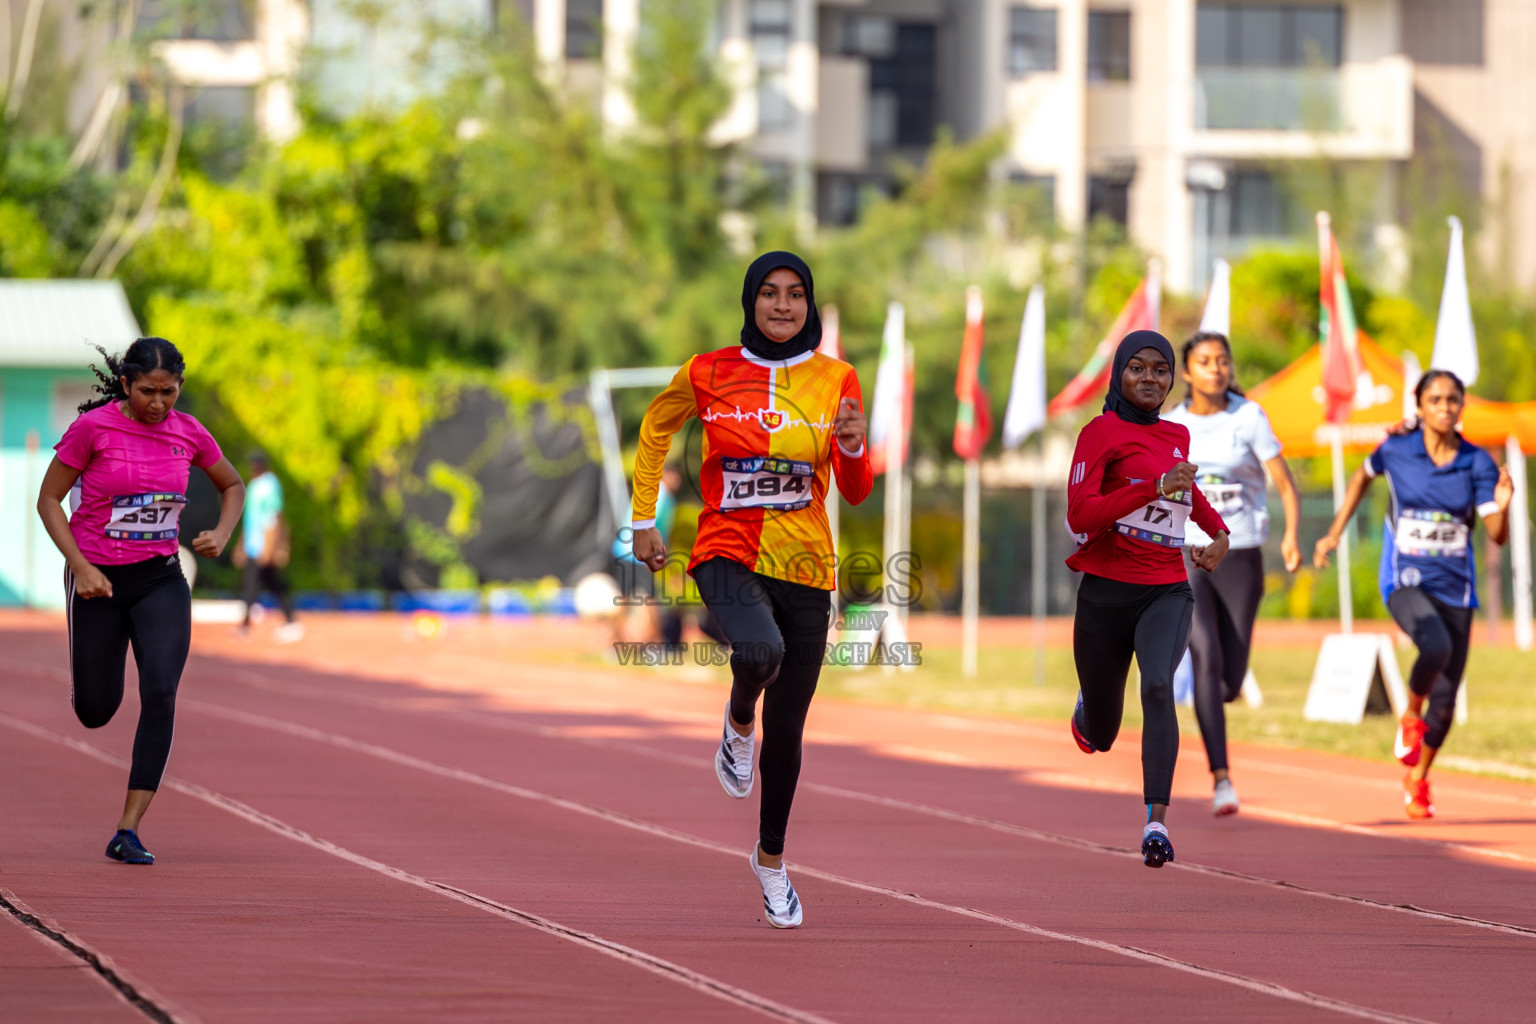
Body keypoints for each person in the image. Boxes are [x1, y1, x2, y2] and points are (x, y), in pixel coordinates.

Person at [630, 251, 872, 927]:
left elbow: (854, 489)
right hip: (725, 551)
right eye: (769, 293)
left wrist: (854, 446)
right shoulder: (707, 371)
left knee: (789, 731)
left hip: (806, 567)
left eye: (795, 294)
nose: (782, 305)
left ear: (809, 304)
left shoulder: (836, 379)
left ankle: (771, 862)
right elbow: (655, 427)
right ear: (750, 300)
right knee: (758, 654)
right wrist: (642, 520)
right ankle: (738, 723)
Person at [35, 337, 245, 865]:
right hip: (97, 582)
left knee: (161, 691)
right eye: (148, 391)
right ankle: (92, 675)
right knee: (95, 710)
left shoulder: (189, 432)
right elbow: (48, 499)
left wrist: (222, 532)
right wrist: (81, 566)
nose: (158, 403)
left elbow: (233, 485)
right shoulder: (93, 428)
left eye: (169, 392)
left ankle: (128, 830)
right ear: (125, 385)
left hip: (160, 580)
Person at [1314, 369, 1513, 819]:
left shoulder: (1476, 463)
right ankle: (1409, 712)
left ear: (1461, 406)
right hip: (1405, 578)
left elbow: (1496, 535)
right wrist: (1333, 534)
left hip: (1456, 589)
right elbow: (1362, 478)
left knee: (1446, 705)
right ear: (1419, 406)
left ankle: (1418, 778)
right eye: (1436, 399)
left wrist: (1503, 502)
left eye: (1453, 400)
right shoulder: (1396, 449)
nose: (1445, 407)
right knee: (1433, 644)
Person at [1065, 330, 1230, 868]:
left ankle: (1156, 821)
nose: (1150, 378)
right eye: (1138, 368)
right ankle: (1088, 714)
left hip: (1165, 588)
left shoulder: (1177, 433)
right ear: (1119, 374)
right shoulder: (1099, 433)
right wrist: (1151, 488)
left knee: (1159, 685)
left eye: (1161, 370)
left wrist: (1219, 534)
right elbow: (1080, 516)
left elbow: (1187, 490)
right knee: (1104, 734)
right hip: (1104, 597)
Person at [1163, 331, 1302, 816]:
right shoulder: (1172, 425)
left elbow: (1285, 484)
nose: (1216, 369)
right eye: (1204, 361)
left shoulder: (1249, 416)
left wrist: (1289, 537)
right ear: (1187, 372)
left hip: (1240, 552)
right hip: (1188, 553)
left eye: (1223, 360)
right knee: (1205, 655)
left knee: (1230, 678)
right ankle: (1222, 779)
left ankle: (1215, 698)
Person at [239, 451, 302, 643]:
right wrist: (241, 545)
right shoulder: (253, 485)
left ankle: (245, 625)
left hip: (263, 545)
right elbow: (251, 518)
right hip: (253, 544)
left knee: (254, 585)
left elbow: (274, 516)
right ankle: (290, 619)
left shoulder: (270, 484)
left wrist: (271, 546)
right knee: (271, 584)